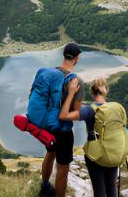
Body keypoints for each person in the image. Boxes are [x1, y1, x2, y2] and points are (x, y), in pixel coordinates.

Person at [59, 77, 125, 197]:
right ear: (106, 91)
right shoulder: (116, 108)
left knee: (99, 189)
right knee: (111, 186)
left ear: (92, 92)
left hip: (96, 157)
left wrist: (71, 94)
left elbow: (63, 115)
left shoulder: (89, 110)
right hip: (114, 153)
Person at [38, 43, 84, 197]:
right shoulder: (76, 81)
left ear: (64, 55)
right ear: (76, 58)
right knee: (63, 168)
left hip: (48, 125)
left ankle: (44, 186)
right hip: (63, 130)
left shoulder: (51, 73)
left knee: (50, 154)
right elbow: (76, 113)